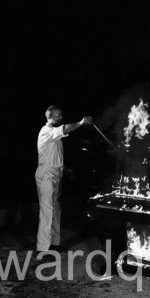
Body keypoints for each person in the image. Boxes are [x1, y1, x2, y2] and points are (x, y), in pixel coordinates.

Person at [35, 105, 92, 256]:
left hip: (55, 173)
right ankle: (42, 248)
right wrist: (80, 123)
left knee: (56, 210)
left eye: (61, 115)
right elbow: (65, 128)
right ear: (50, 117)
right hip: (46, 174)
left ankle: (54, 244)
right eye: (58, 116)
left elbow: (54, 155)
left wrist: (66, 169)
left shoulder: (55, 135)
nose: (61, 118)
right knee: (47, 210)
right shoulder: (46, 131)